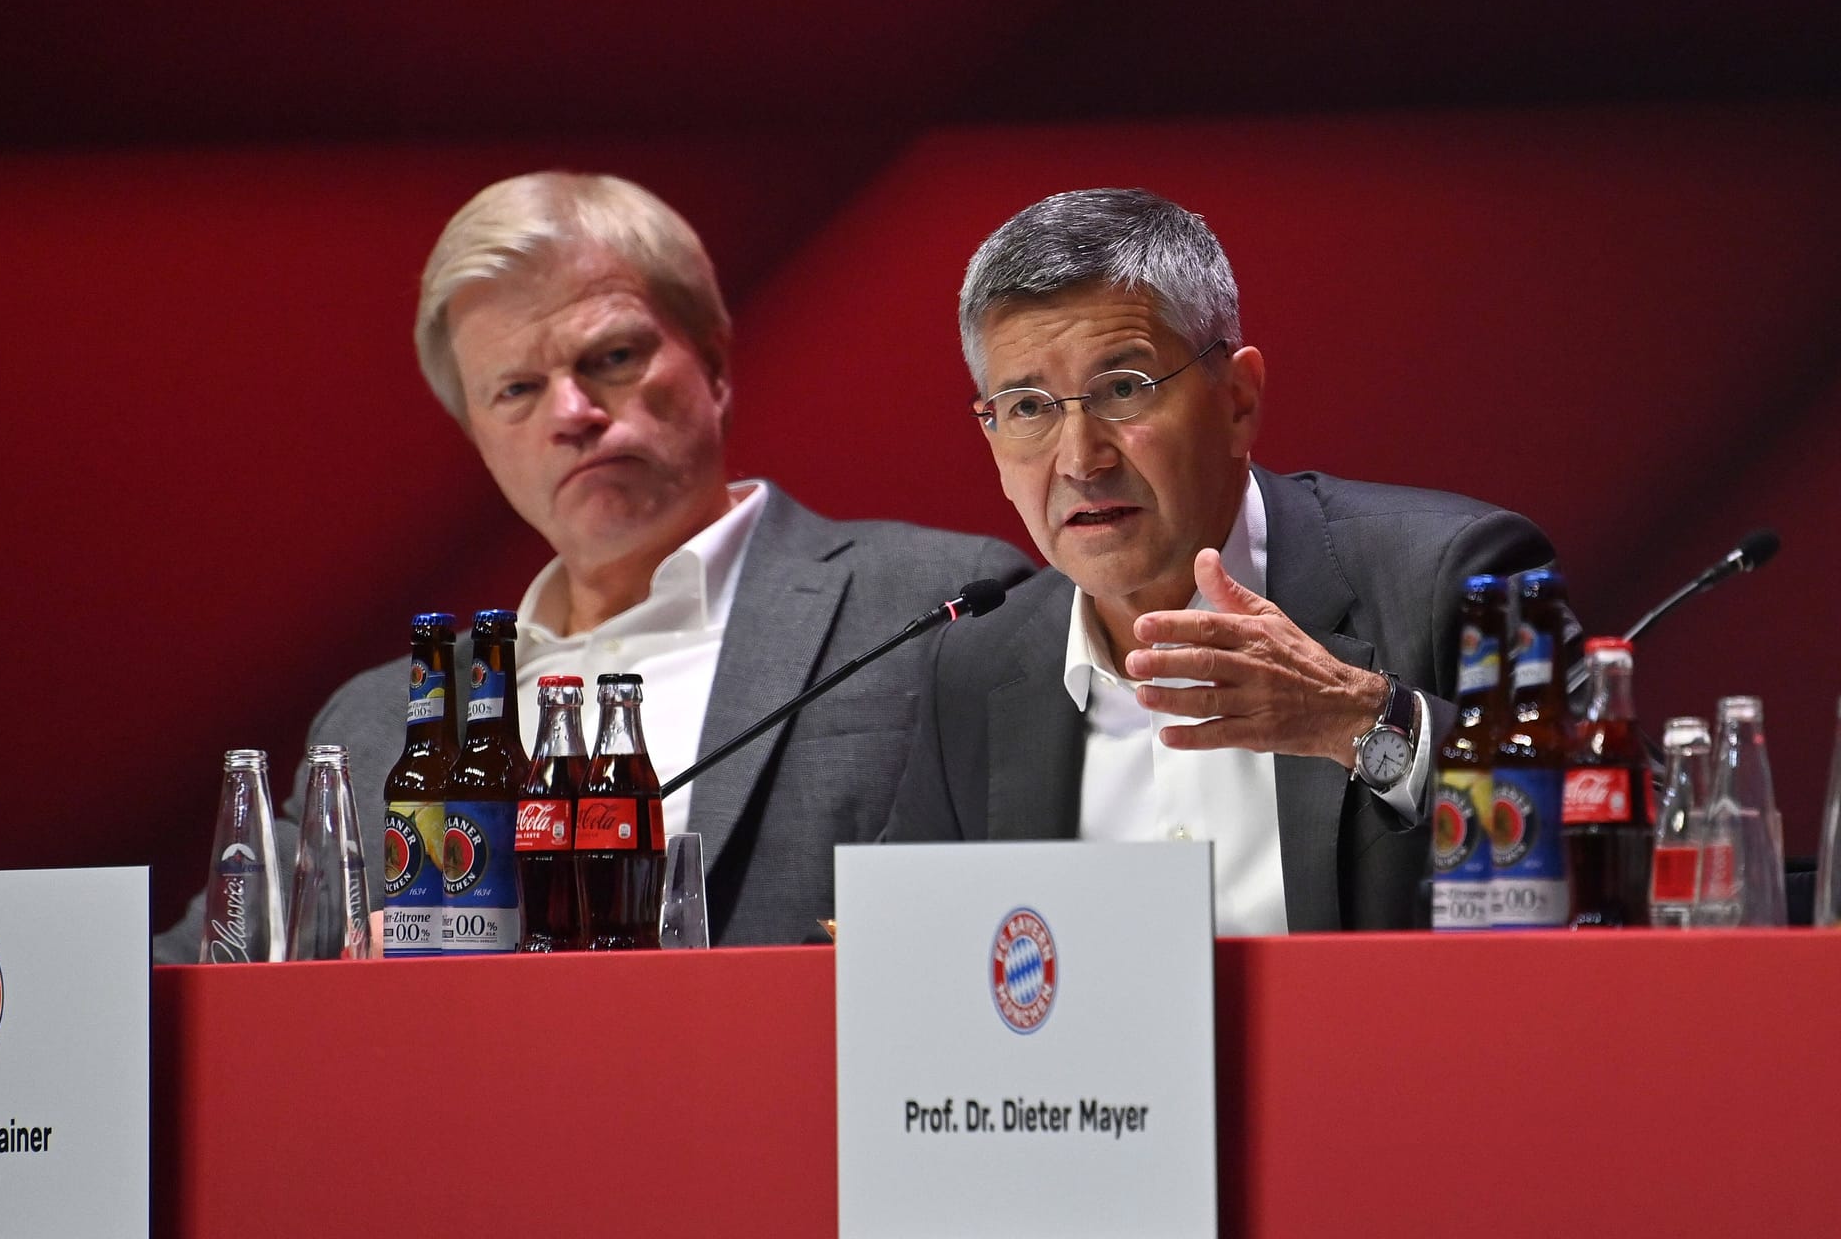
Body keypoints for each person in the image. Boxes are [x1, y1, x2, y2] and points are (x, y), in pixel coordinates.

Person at [154, 172, 1030, 959]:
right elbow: (201, 969)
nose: (571, 413)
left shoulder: (935, 606)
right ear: (479, 441)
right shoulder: (387, 721)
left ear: (715, 360)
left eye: (610, 358)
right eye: (516, 390)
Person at [883, 188, 1565, 933]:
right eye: (1027, 407)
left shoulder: (1453, 577)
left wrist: (1364, 721)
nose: (1080, 459)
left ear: (1238, 400)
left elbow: (1637, 844)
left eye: (1123, 389)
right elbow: (913, 958)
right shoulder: (977, 667)